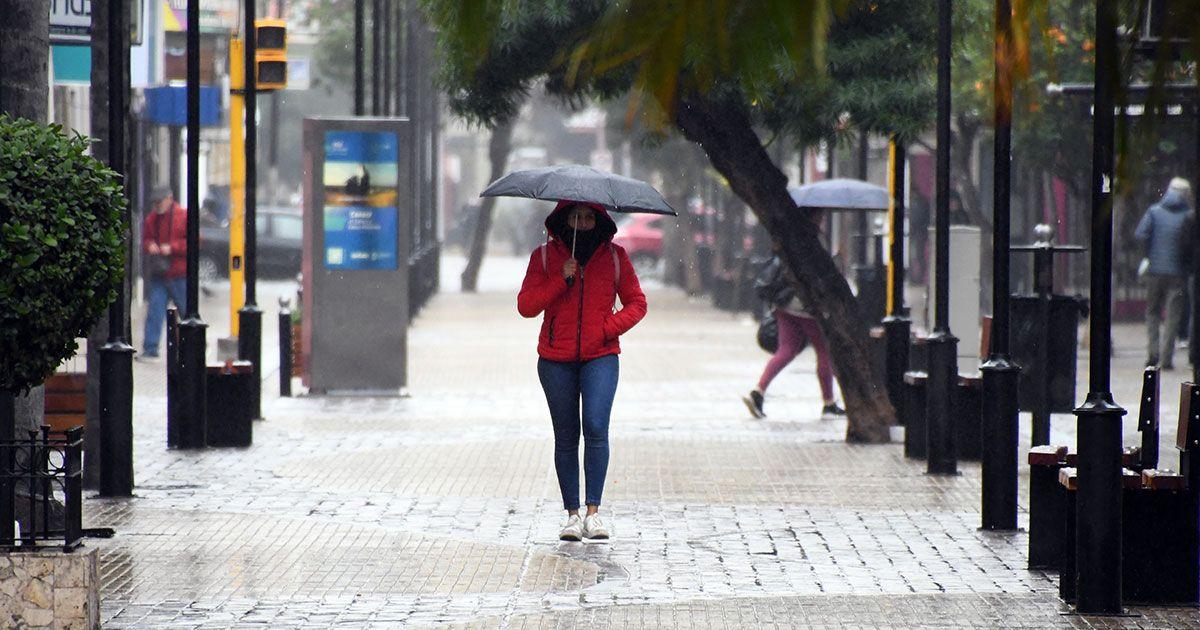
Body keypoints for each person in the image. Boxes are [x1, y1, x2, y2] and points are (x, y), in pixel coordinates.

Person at [518, 201, 647, 541]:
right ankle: (572, 515)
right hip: (555, 359)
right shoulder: (544, 258)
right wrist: (561, 280)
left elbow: (637, 303)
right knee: (566, 435)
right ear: (563, 220)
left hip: (601, 356)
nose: (584, 223)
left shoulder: (615, 257)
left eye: (590, 217)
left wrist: (608, 328)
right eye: (576, 217)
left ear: (600, 220)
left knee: (595, 425)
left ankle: (594, 513)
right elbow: (526, 306)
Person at [743, 255, 845, 420]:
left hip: (784, 303)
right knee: (823, 350)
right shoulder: (810, 243)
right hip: (806, 307)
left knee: (786, 350)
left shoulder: (788, 241)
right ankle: (829, 403)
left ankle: (758, 392)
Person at [1136, 177, 1194, 369]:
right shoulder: (1189, 215)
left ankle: (1153, 353)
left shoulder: (1154, 212)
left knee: (1152, 312)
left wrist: (1148, 254)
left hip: (1154, 271)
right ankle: (1167, 358)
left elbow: (1141, 234)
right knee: (1173, 316)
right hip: (1178, 273)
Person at [140, 186, 189, 359]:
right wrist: (150, 245)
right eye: (155, 202)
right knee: (155, 310)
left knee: (186, 311)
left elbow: (193, 242)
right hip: (160, 273)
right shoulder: (152, 219)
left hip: (179, 273)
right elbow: (146, 239)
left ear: (169, 199)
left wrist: (172, 248)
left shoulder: (183, 216)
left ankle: (194, 343)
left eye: (160, 201)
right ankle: (150, 348)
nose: (157, 205)